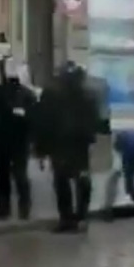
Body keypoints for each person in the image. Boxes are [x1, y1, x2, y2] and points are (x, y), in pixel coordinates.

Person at [34, 62, 99, 233]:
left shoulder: (51, 94)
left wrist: (41, 149)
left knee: (63, 182)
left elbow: (42, 122)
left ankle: (68, 219)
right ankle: (80, 217)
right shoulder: (88, 94)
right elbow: (95, 120)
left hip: (61, 144)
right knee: (80, 180)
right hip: (77, 144)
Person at [0, 57, 37, 220]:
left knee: (3, 173)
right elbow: (33, 118)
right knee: (19, 173)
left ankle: (5, 207)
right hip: (19, 140)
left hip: (3, 139)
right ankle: (24, 207)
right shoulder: (28, 94)